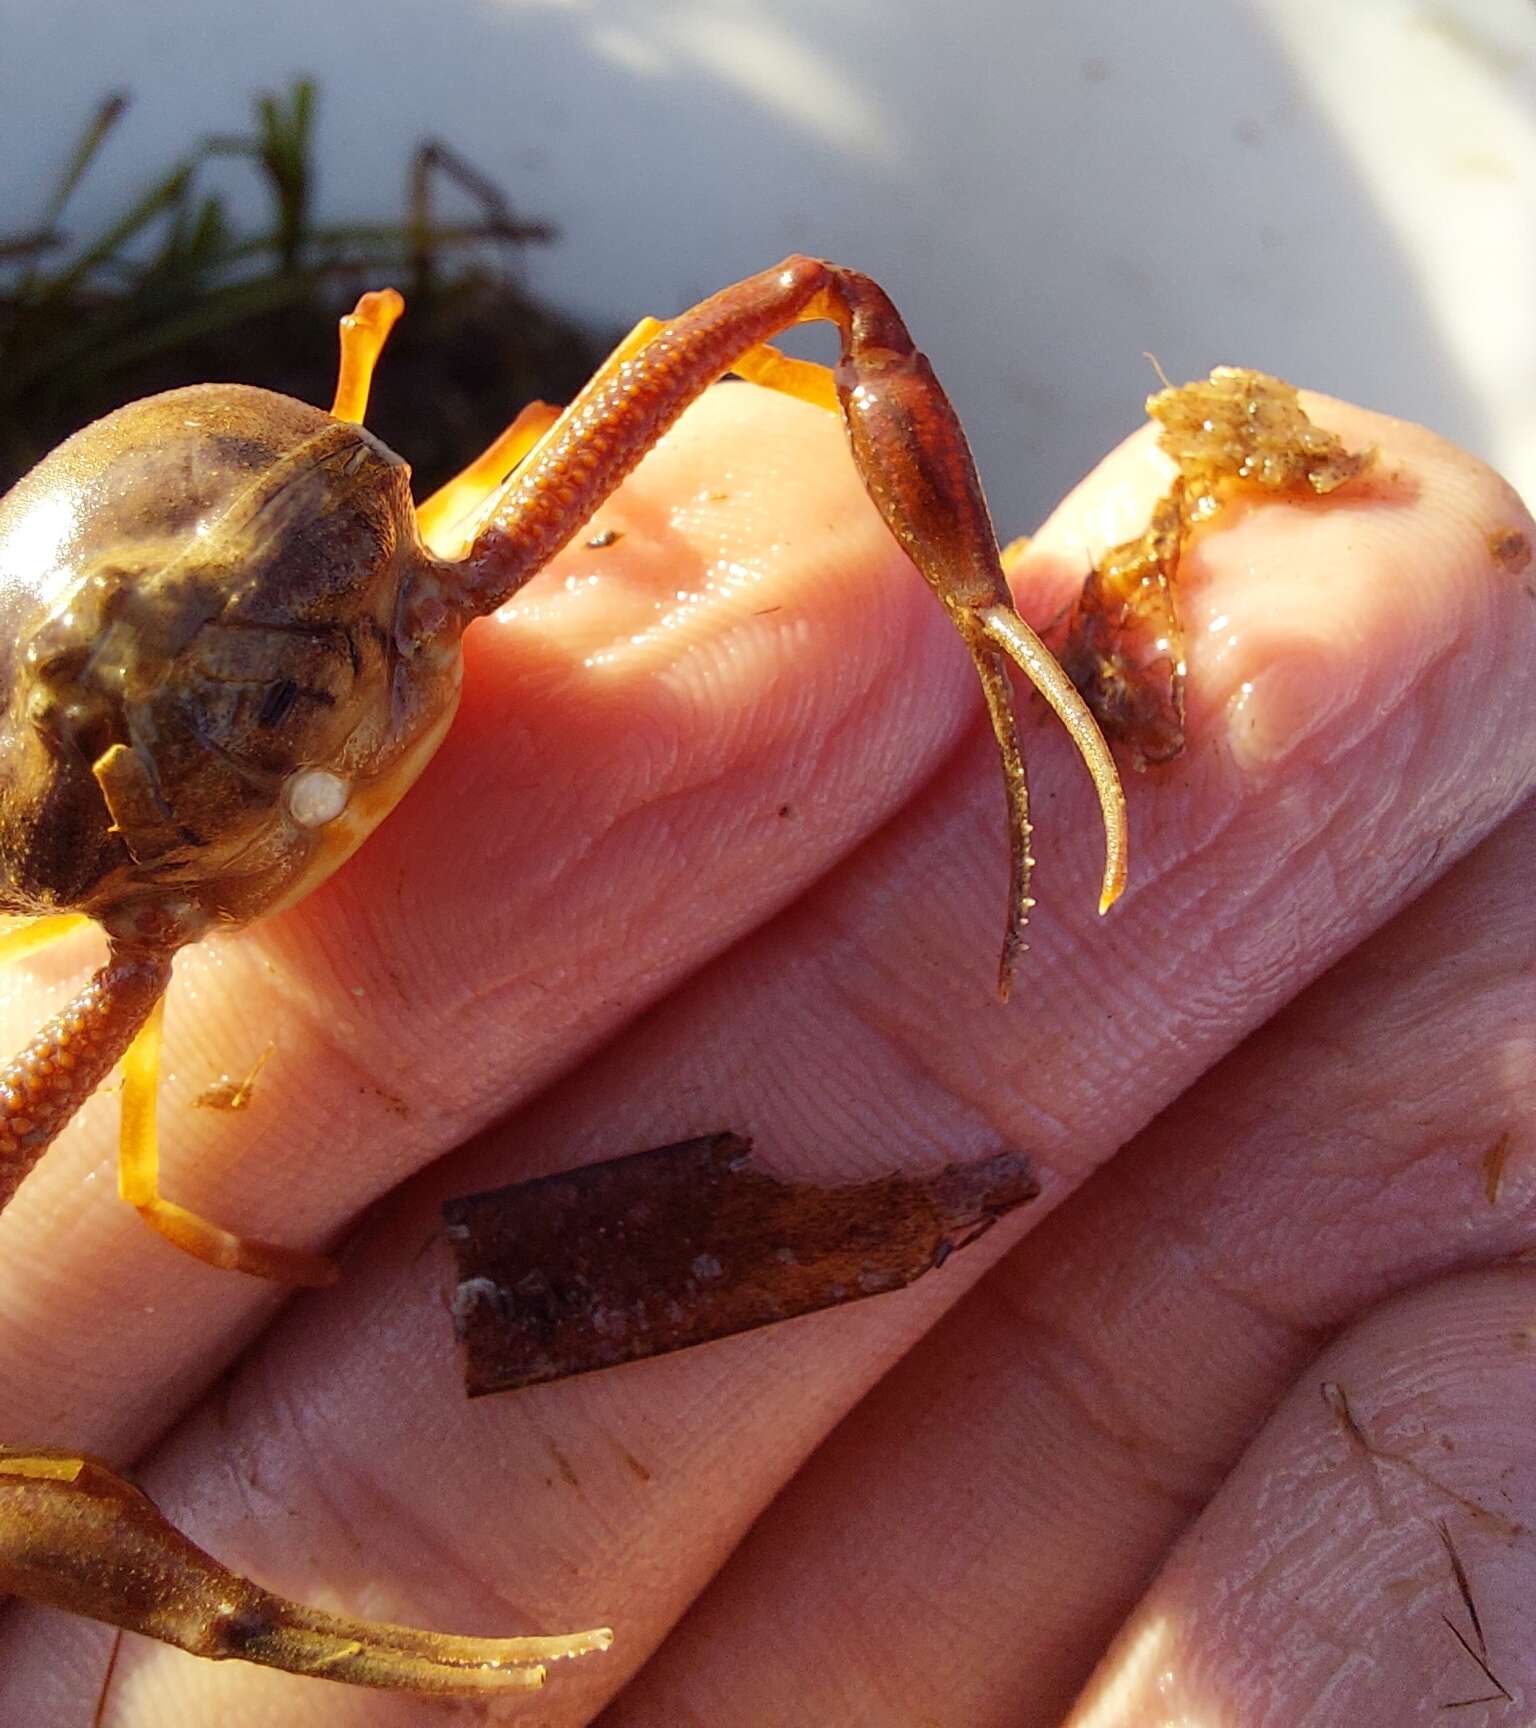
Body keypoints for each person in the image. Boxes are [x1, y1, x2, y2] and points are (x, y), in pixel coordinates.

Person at [0, 377, 1531, 1722]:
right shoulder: (123, 964)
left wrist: (978, 602)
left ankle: (981, 616)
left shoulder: (146, 928)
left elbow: (800, 310)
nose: (287, 748)